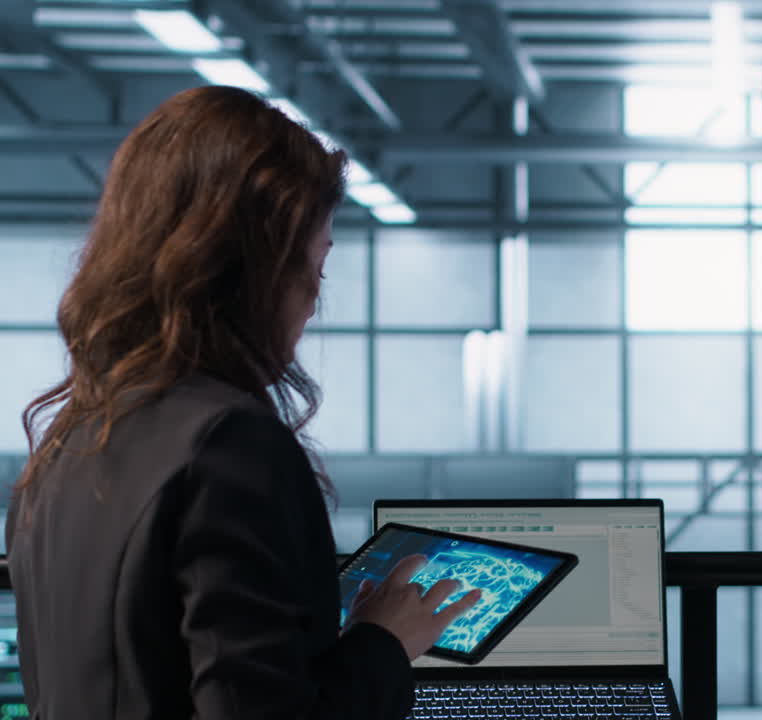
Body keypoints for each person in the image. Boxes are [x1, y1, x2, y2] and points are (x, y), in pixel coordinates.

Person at [6, 85, 481, 720]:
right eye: (313, 264)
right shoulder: (228, 445)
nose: (314, 298)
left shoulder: (71, 436)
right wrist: (385, 643)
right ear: (254, 268)